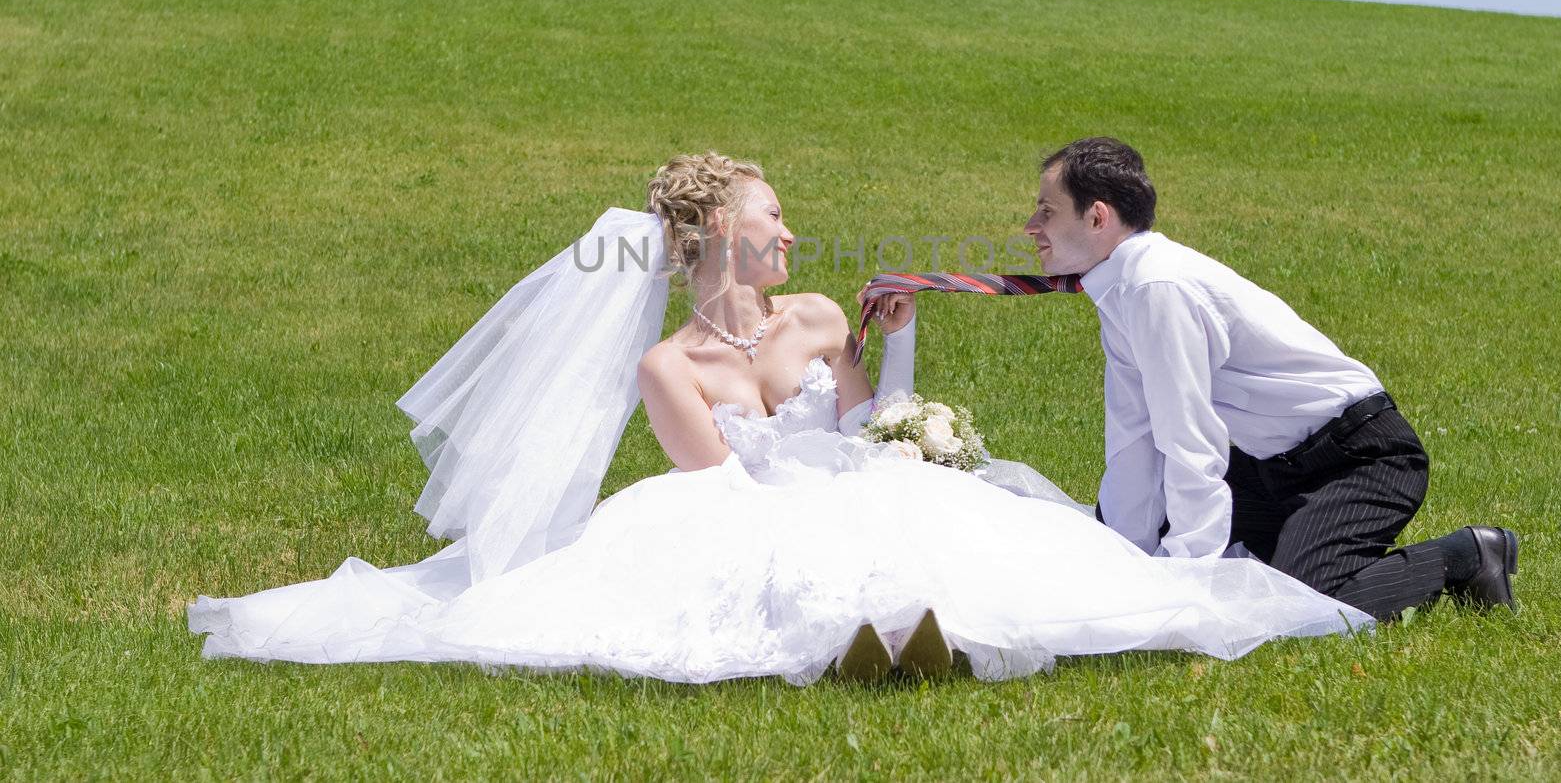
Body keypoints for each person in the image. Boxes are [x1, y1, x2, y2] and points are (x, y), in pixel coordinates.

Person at [187, 152, 1371, 685]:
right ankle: (872, 631)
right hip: (751, 509)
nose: (792, 232)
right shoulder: (666, 367)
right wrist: (820, 494)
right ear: (715, 238)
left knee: (915, 501)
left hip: (852, 477)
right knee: (762, 548)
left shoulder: (812, 313)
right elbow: (723, 493)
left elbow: (873, 420)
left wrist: (901, 366)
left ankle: (919, 628)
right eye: (773, 215)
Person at [1019, 136, 1518, 621]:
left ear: (1098, 216)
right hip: (1265, 468)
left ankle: (1468, 554)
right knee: (1173, 541)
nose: (1030, 226)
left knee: (1293, 612)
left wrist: (1179, 587)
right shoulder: (1122, 288)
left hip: (1359, 458)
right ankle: (1293, 548)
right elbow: (1135, 433)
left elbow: (1188, 438)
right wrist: (1126, 560)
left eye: (1047, 211)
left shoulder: (1157, 287)